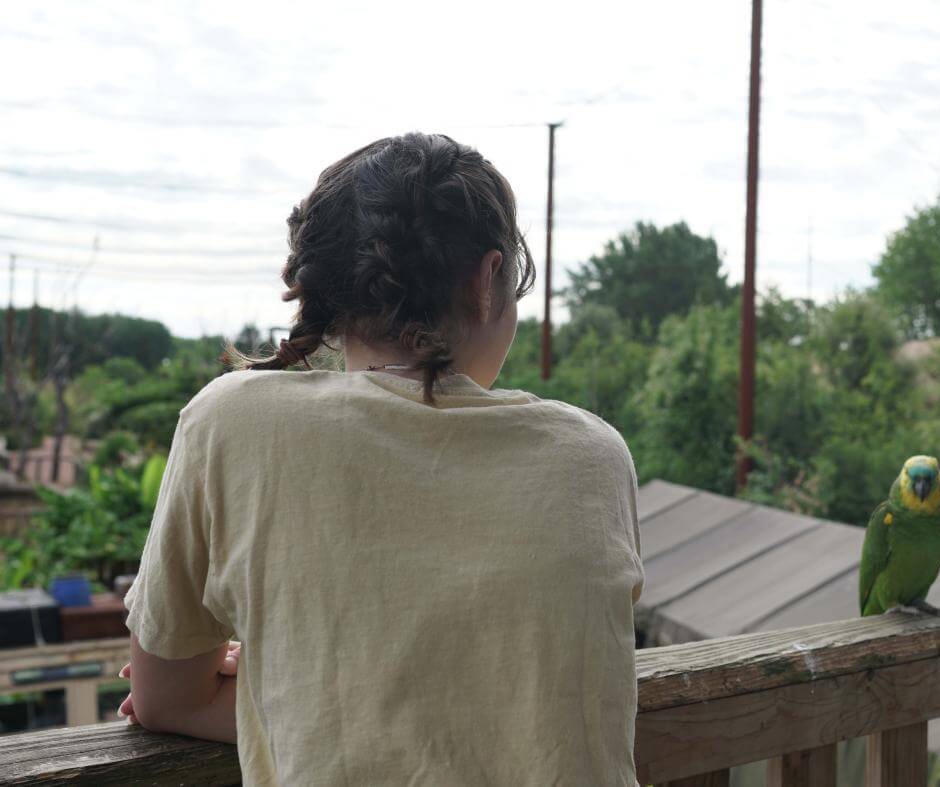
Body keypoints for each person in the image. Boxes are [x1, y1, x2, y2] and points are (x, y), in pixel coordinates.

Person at [118, 132, 644, 786]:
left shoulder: (231, 423)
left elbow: (166, 697)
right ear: (487, 281)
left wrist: (275, 674)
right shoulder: (592, 456)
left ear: (330, 293)